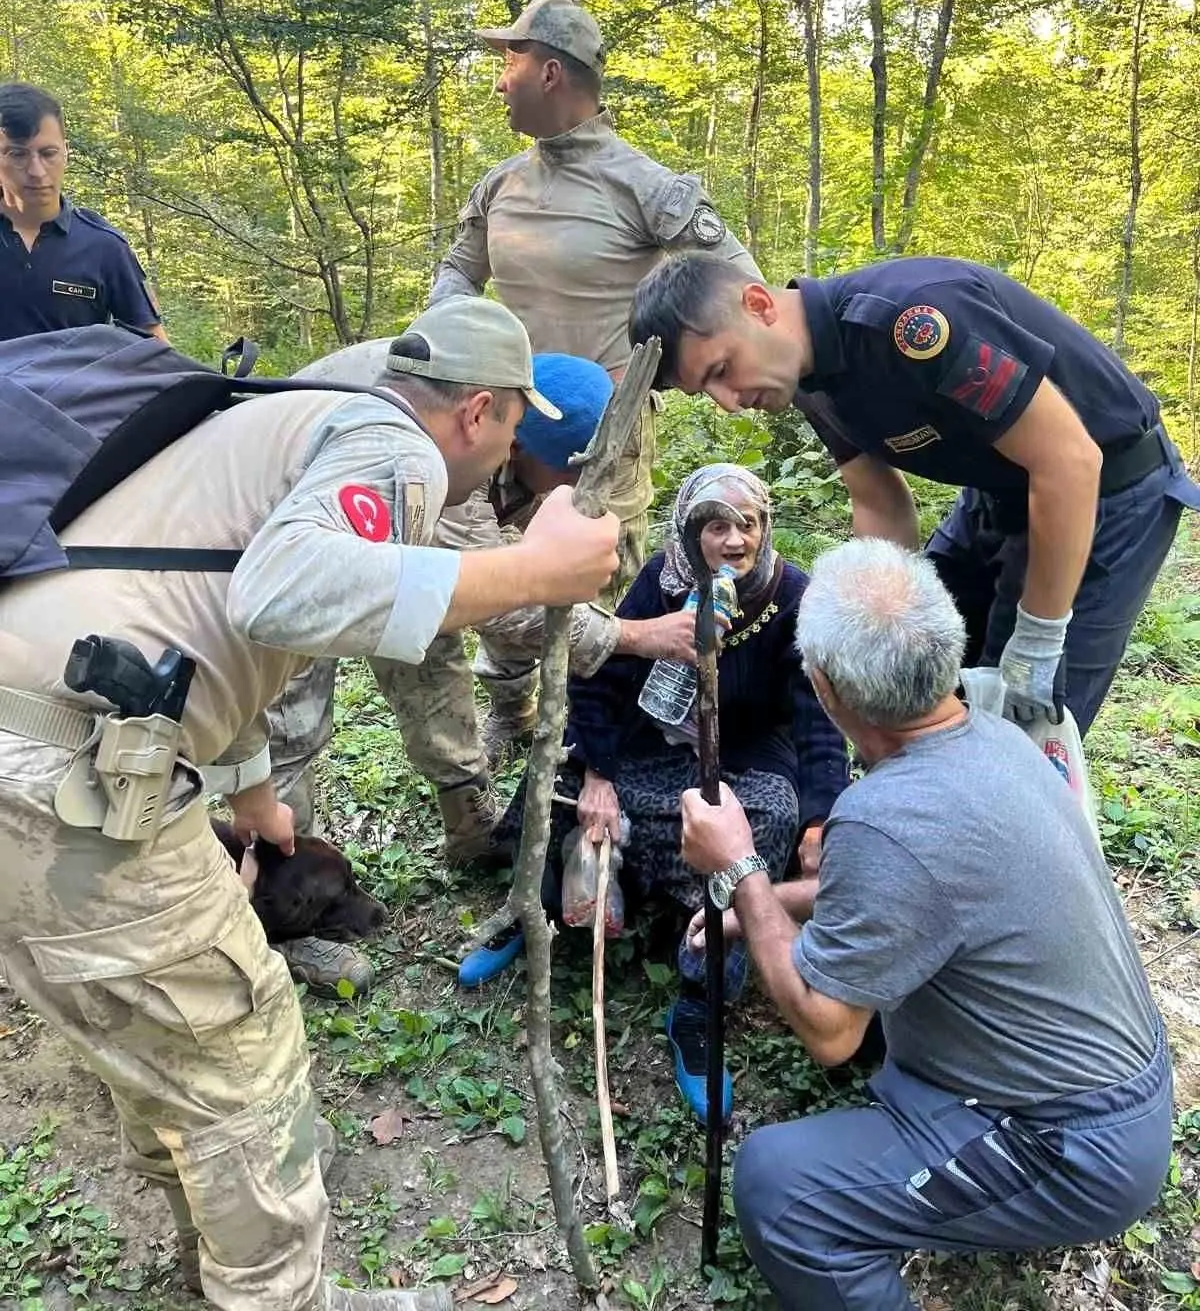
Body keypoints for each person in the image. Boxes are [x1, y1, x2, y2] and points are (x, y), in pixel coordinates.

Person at [0, 296, 619, 1311]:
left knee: (149, 1029)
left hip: (38, 745)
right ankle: (276, 1285)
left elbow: (199, 599)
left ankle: (216, 1232)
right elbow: (281, 592)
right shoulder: (396, 448)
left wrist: (246, 785)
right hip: (62, 781)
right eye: (513, 424)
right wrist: (529, 570)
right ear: (478, 410)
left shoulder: (290, 413)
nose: (508, 450)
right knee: (243, 1061)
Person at [681, 539, 1172, 1311]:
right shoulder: (995, 738)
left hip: (1073, 1145)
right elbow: (911, 885)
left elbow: (828, 1030)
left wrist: (740, 868)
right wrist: (765, 907)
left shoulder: (887, 817)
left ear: (826, 687)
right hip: (1112, 1088)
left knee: (780, 1188)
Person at [266, 346, 697, 996]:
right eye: (566, 475)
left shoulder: (506, 404)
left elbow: (460, 594)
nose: (568, 492)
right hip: (284, 553)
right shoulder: (444, 454)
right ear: (518, 442)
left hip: (384, 540)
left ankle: (470, 827)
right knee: (289, 723)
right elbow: (501, 606)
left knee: (429, 650)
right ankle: (292, 916)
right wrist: (632, 635)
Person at [629, 250, 1200, 734]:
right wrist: (864, 614)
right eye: (707, 390)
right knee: (913, 674)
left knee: (1024, 723)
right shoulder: (805, 380)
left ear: (759, 305)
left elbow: (1070, 461)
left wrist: (1041, 635)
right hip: (998, 493)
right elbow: (879, 500)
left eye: (723, 368)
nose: (729, 400)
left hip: (1108, 495)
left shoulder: (912, 322)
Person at [430, 0, 760, 752]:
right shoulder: (500, 184)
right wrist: (448, 341)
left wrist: (672, 372)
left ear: (551, 72)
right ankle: (510, 715)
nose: (498, 77)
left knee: (601, 578)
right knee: (499, 568)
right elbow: (457, 272)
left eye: (509, 60)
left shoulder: (645, 187)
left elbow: (741, 290)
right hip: (500, 425)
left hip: (605, 431)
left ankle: (594, 735)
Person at [477, 465, 849, 1124]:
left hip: (737, 757)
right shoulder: (662, 580)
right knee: (556, 774)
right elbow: (598, 677)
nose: (735, 540)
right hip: (650, 743)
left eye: (749, 524)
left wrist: (821, 822)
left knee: (771, 816)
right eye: (715, 524)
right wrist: (597, 773)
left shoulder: (793, 598)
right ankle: (534, 904)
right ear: (687, 527)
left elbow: (819, 723)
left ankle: (700, 1000)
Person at [0, 82, 166, 341]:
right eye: (17, 154)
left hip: (76, 382)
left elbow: (156, 353)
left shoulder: (104, 247)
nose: (37, 171)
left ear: (66, 151)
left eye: (48, 153)